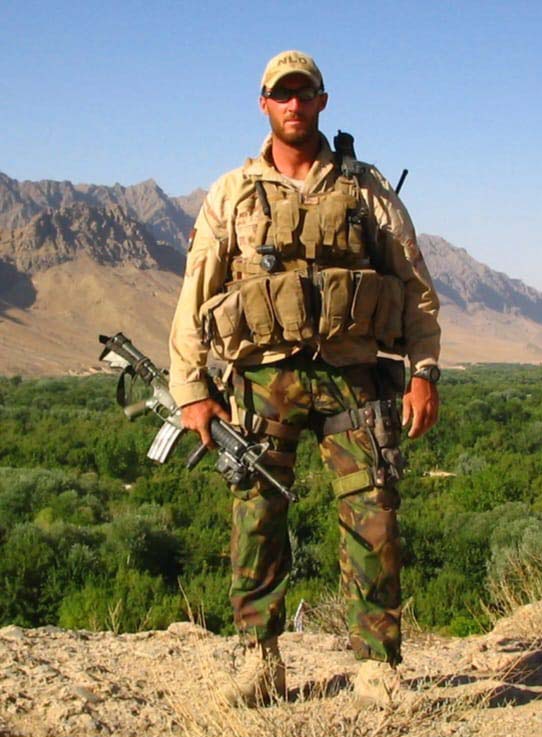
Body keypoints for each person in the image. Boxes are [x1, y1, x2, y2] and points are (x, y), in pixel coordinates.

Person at [168, 50, 441, 707]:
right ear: (263, 103)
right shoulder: (233, 192)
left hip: (354, 374)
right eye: (282, 94)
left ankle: (377, 664)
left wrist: (424, 372)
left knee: (373, 513)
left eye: (305, 93)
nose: (294, 104)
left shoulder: (366, 189)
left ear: (322, 100)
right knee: (256, 514)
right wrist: (192, 391)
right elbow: (194, 293)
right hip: (263, 380)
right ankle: (259, 660)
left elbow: (415, 288)